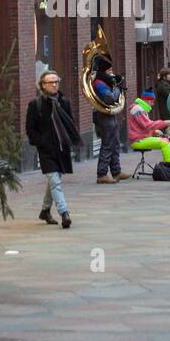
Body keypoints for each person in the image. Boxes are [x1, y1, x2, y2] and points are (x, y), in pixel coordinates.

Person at [24, 70, 80, 228]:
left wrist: (70, 140)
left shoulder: (64, 102)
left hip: (62, 148)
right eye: (50, 82)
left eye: (56, 82)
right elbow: (30, 129)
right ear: (43, 85)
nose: (54, 85)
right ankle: (64, 213)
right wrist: (42, 142)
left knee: (53, 182)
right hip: (46, 150)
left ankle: (45, 211)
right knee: (55, 181)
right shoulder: (36, 104)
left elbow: (70, 123)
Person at [90, 58, 130, 184]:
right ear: (104, 71)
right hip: (103, 116)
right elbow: (109, 98)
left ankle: (116, 171)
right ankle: (102, 173)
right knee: (107, 144)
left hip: (109, 115)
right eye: (109, 70)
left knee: (115, 143)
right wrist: (118, 88)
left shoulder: (105, 81)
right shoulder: (99, 83)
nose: (112, 72)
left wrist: (116, 85)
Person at [128, 94, 170, 165]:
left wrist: (154, 131)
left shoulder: (140, 108)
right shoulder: (138, 109)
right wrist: (164, 123)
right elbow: (147, 125)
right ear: (148, 101)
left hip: (139, 138)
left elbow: (142, 126)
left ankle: (167, 166)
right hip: (138, 140)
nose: (153, 104)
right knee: (165, 142)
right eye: (152, 102)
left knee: (165, 141)